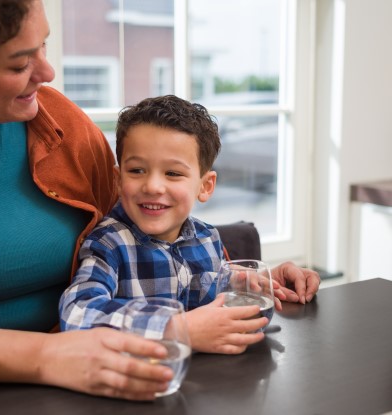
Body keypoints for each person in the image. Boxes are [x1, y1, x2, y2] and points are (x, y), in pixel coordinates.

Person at [0, 0, 319, 402]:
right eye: (20, 62)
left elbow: (142, 234)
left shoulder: (61, 124)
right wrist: (48, 356)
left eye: (42, 47)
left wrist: (249, 279)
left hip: (87, 379)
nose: (47, 74)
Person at [60, 95, 320, 354]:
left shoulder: (208, 238)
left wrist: (263, 283)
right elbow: (77, 314)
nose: (152, 186)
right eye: (137, 170)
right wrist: (178, 327)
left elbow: (211, 293)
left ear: (205, 186)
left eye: (173, 173)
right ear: (118, 180)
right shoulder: (108, 243)